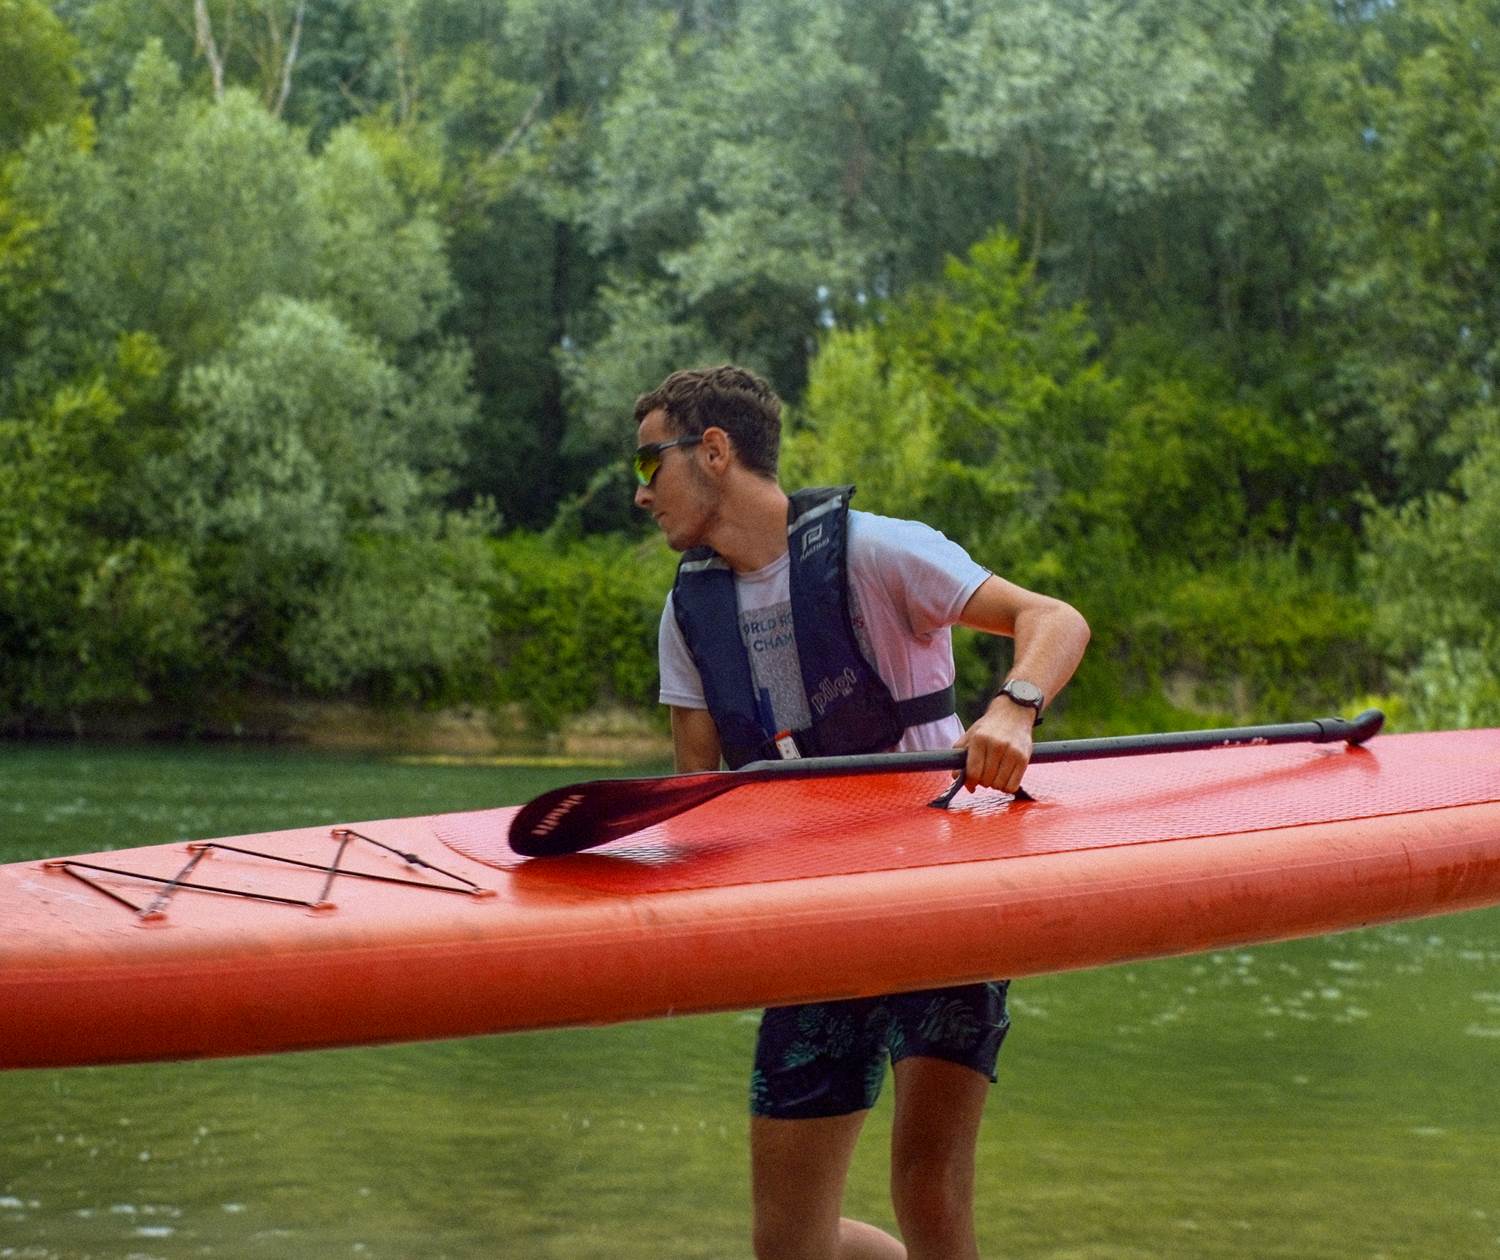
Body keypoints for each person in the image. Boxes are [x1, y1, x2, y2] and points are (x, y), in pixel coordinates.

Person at [632, 364, 1090, 1260]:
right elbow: (693, 802)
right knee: (789, 1246)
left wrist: (1014, 706)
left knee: (928, 1188)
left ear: (714, 452)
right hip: (816, 913)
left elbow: (1055, 617)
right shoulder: (687, 614)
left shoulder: (879, 552)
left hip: (946, 892)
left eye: (650, 464)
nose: (640, 493)